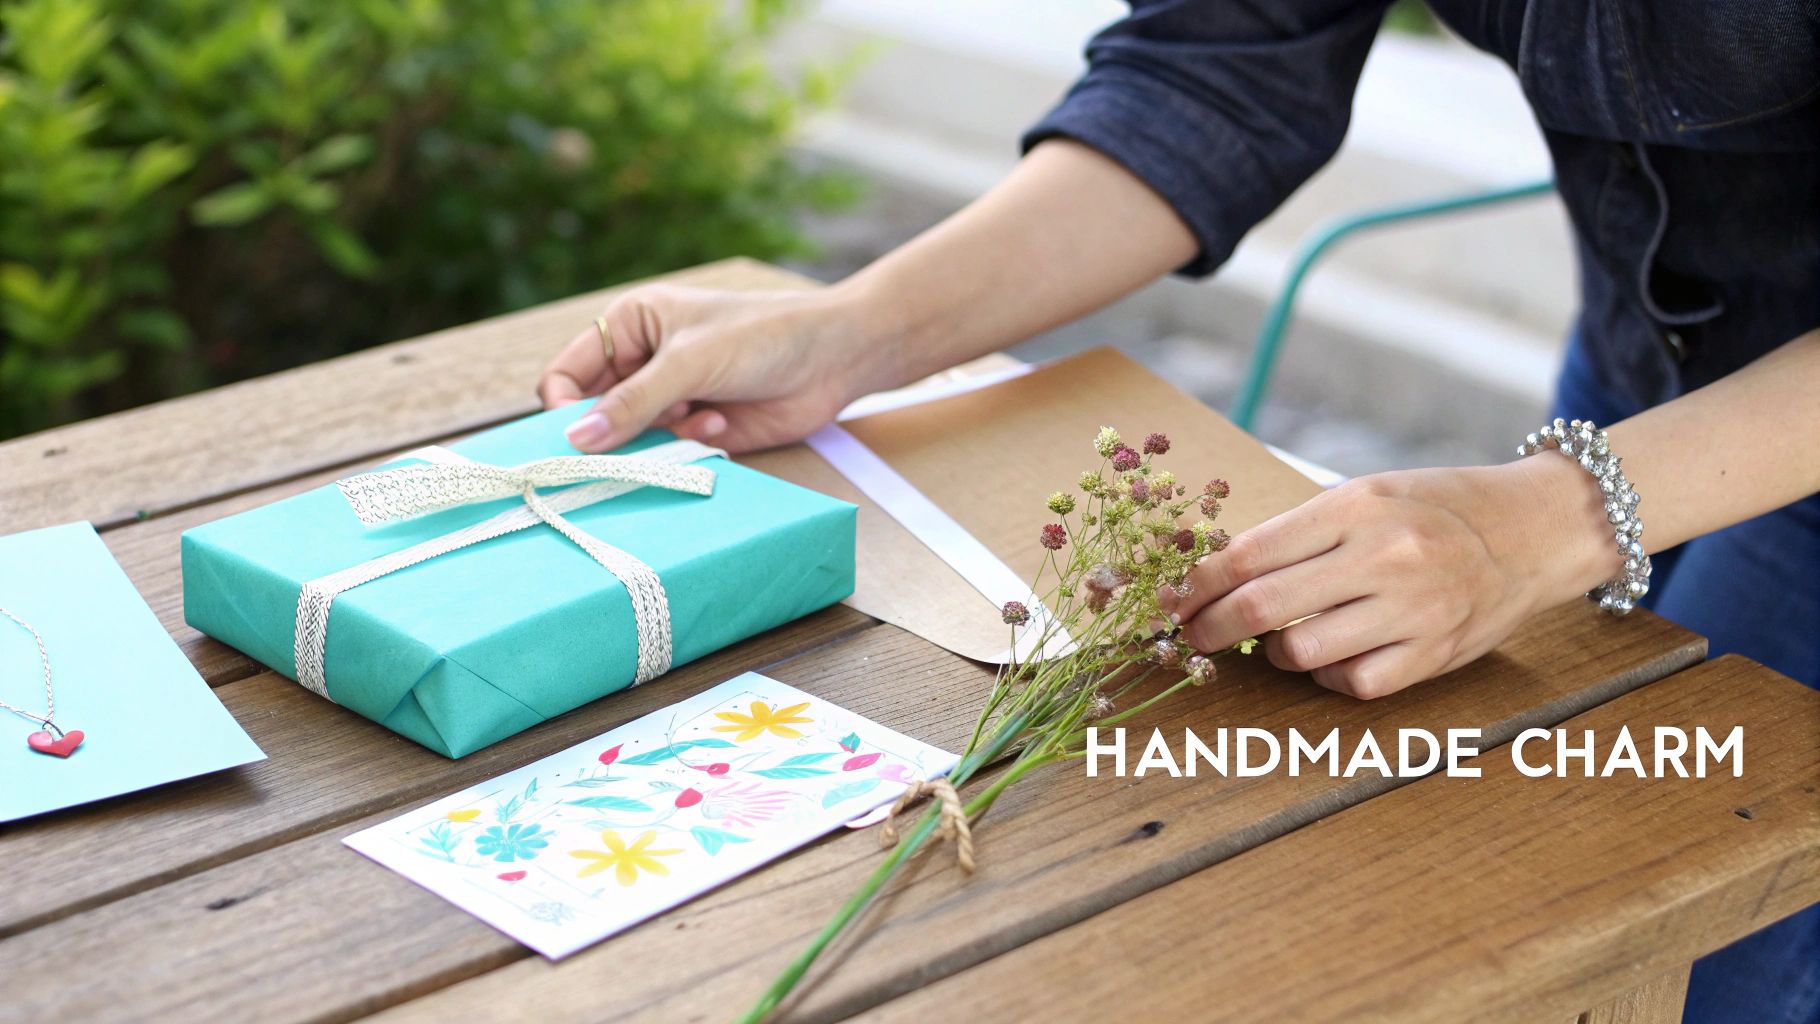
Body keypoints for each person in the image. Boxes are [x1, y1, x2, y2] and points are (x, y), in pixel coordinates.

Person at [538, 4, 1819, 1019]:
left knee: (1696, 922)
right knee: (1516, 876)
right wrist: (855, 331)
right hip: (1634, 362)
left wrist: (1541, 519)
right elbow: (1213, 74)